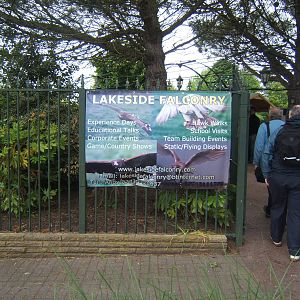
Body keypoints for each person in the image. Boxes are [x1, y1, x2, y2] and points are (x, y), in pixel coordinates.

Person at [262, 105, 300, 262]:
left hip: (278, 175)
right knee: (296, 212)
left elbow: (266, 152)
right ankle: (294, 250)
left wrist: (266, 174)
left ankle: (277, 237)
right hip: (298, 177)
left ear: (289, 115)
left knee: (278, 206)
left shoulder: (279, 130)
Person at [253, 107, 284, 217]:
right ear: (281, 115)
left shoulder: (264, 126)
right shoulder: (286, 126)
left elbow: (259, 147)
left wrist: (256, 163)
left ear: (269, 116)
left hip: (269, 162)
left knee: (271, 185)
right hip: (284, 162)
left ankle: (272, 209)